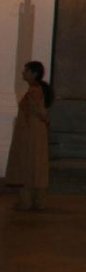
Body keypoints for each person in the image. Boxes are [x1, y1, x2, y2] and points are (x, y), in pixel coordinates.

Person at [6, 60, 52, 211]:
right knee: (34, 164)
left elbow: (39, 111)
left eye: (26, 71)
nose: (23, 73)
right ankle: (35, 201)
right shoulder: (36, 90)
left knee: (29, 163)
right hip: (33, 131)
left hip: (32, 132)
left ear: (34, 73)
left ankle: (28, 201)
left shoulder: (34, 91)